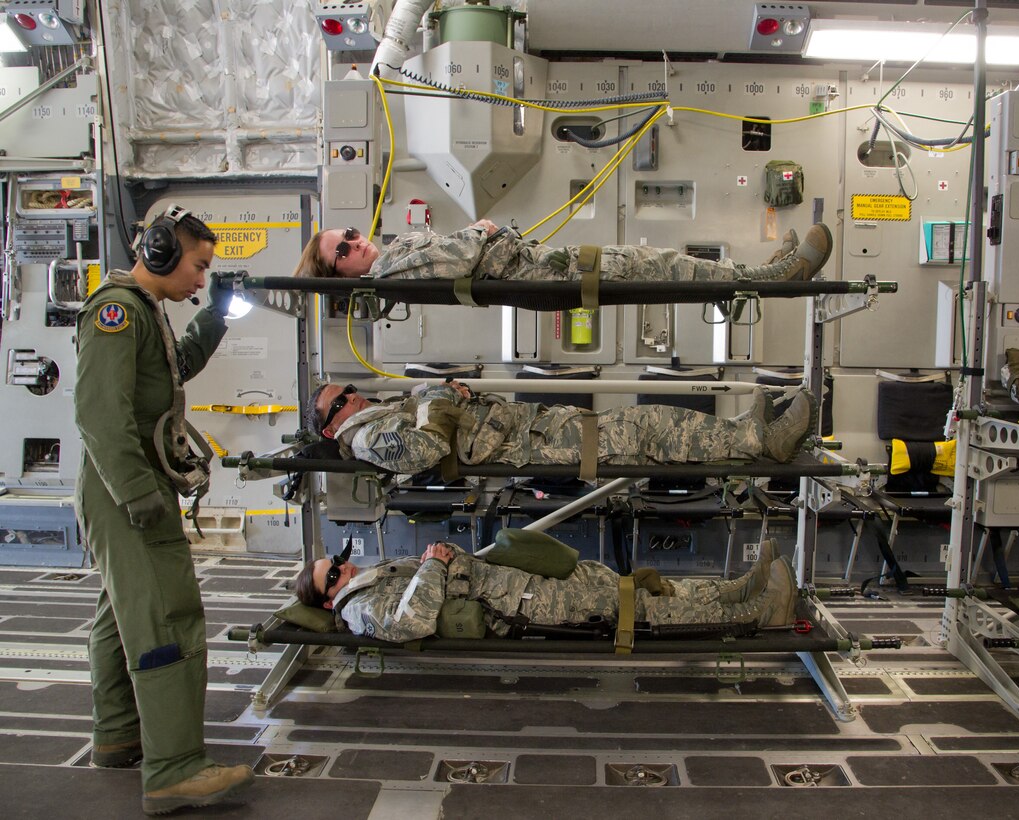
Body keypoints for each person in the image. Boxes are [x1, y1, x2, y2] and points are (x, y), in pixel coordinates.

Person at [74, 206, 255, 815]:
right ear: (157, 251)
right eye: (199, 267)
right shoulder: (116, 312)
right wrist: (138, 494)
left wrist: (220, 311)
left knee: (119, 612)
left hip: (123, 486)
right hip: (124, 487)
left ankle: (119, 734)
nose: (202, 279)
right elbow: (100, 415)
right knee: (166, 616)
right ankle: (174, 768)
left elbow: (176, 368)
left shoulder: (146, 313)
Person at [294, 538, 798, 644]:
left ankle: (731, 593)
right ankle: (759, 615)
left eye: (337, 561)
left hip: (518, 582)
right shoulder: (360, 609)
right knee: (636, 612)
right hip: (520, 606)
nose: (345, 567)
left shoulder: (372, 578)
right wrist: (432, 566)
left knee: (631, 588)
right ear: (327, 599)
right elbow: (411, 623)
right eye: (332, 575)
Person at [303, 380, 818, 475]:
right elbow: (424, 450)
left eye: (345, 391)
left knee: (647, 425)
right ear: (331, 430)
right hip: (532, 445)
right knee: (649, 428)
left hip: (535, 429)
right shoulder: (367, 437)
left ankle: (744, 434)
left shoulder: (374, 418)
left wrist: (445, 397)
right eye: (338, 404)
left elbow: (435, 423)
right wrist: (438, 396)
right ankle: (759, 443)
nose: (351, 397)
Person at [291, 219, 833, 284]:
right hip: (542, 273)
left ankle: (757, 271)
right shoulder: (388, 269)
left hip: (540, 263)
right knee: (662, 263)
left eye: (351, 235)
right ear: (340, 272)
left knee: (662, 260)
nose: (357, 242)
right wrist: (481, 230)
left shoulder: (388, 259)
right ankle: (770, 277)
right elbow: (456, 260)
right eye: (344, 250)